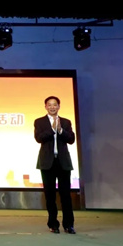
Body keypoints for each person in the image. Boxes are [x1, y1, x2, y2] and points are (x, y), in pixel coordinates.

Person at [34, 96, 77, 235]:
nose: (52, 107)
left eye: (55, 105)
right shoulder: (39, 121)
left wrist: (60, 130)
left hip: (63, 162)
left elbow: (71, 139)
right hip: (47, 163)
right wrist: (52, 130)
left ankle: (69, 225)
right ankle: (53, 224)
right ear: (45, 106)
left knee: (66, 195)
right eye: (49, 105)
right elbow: (38, 138)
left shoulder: (65, 122)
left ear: (59, 106)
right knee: (50, 195)